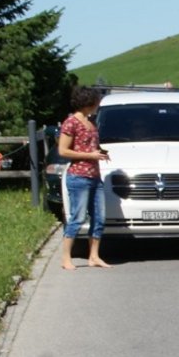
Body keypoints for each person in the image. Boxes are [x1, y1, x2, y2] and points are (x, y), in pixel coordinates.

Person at [58, 86, 112, 270]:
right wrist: (91, 156)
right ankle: (66, 258)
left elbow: (89, 146)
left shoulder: (91, 122)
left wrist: (101, 153)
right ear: (88, 102)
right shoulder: (71, 123)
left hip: (94, 176)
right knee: (78, 217)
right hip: (79, 177)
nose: (98, 104)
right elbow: (63, 150)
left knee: (99, 217)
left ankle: (94, 256)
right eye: (96, 101)